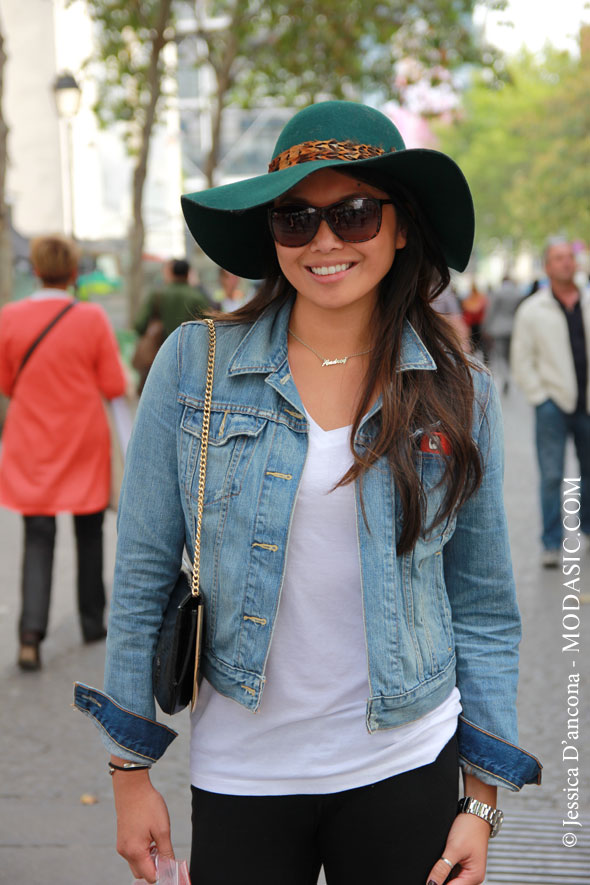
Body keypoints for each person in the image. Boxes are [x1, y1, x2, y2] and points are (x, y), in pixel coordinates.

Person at [74, 101, 541, 885]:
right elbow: (144, 574)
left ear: (401, 227)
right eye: (297, 218)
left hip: (406, 763)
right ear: (272, 236)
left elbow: (486, 608)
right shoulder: (197, 367)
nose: (325, 240)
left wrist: (481, 798)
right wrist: (129, 773)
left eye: (355, 213)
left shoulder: (461, 394)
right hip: (243, 776)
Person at [0, 234, 126, 669]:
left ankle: (30, 636)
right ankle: (93, 620)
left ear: (34, 269)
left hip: (30, 441)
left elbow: (5, 383)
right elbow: (113, 385)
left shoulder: (9, 318)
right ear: (74, 272)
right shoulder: (91, 319)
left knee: (38, 537)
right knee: (89, 533)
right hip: (82, 440)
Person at [510, 238, 590, 568]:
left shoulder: (587, 300)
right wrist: (541, 399)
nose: (565, 264)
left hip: (587, 403)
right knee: (551, 475)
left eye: (568, 258)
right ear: (547, 266)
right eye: (557, 259)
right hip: (553, 405)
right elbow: (521, 360)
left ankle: (587, 529)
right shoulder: (532, 310)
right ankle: (551, 542)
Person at [133, 258, 209, 392]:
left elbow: (139, 325)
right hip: (190, 363)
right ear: (188, 274)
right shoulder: (197, 297)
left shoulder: (157, 295)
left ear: (172, 273)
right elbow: (210, 328)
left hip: (159, 360)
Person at [484, 275, 521, 394]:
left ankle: (505, 377)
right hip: (514, 327)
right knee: (510, 355)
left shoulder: (497, 293)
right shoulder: (518, 292)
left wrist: (485, 327)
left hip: (499, 329)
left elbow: (491, 311)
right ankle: (510, 376)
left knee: (500, 355)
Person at [460, 282, 490, 361]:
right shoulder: (480, 298)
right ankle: (481, 359)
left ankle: (477, 358)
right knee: (479, 343)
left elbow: (468, 309)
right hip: (477, 324)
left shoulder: (470, 299)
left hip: (475, 324)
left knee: (477, 343)